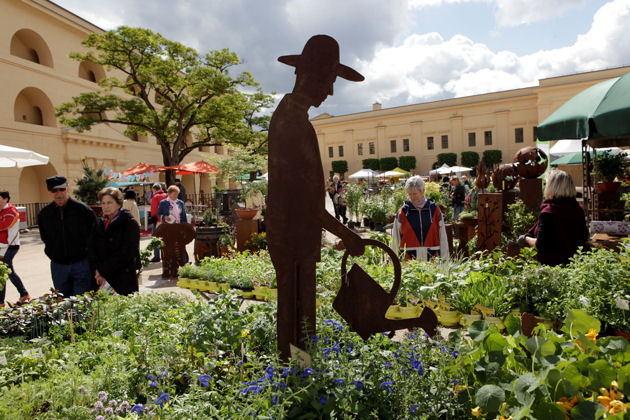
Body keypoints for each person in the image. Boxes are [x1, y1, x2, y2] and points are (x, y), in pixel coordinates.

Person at [268, 35, 364, 361]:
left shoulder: (293, 118)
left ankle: (299, 374)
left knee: (298, 314)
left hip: (295, 237)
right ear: (307, 75)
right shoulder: (292, 123)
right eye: (328, 80)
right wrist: (347, 234)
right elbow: (306, 201)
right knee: (297, 315)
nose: (330, 91)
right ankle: (297, 378)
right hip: (293, 239)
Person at [37, 175, 97, 297]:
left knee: (82, 303)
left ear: (67, 188)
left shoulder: (83, 210)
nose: (59, 193)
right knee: (63, 303)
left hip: (81, 264)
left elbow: (94, 236)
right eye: (54, 190)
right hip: (58, 266)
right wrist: (53, 254)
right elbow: (45, 238)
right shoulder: (44, 214)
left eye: (62, 189)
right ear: (49, 192)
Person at [515, 169, 589, 266]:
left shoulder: (549, 212)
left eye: (546, 184)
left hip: (552, 269)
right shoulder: (578, 209)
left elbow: (541, 245)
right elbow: (583, 237)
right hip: (575, 266)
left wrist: (525, 239)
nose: (545, 187)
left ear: (553, 187)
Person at [90, 187, 140, 295]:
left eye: (109, 203)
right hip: (100, 278)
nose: (106, 206)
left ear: (119, 203)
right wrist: (97, 271)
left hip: (122, 277)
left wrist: (103, 271)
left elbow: (127, 253)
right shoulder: (98, 223)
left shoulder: (129, 223)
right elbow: (91, 248)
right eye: (103, 203)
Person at [391, 176, 449, 261]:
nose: (412, 197)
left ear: (423, 191)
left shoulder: (434, 210)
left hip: (433, 258)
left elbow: (442, 235)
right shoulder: (402, 212)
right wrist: (394, 261)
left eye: (414, 193)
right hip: (409, 260)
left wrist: (445, 259)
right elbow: (396, 238)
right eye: (409, 194)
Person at [0, 191, 29, 307]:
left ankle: (2, 301)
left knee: (4, 270)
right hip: (2, 246)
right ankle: (23, 294)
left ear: (6, 199)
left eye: (0, 199)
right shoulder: (1, 211)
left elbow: (4, 225)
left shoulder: (11, 211)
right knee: (6, 271)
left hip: (11, 246)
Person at [149, 183, 167, 262]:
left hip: (158, 220)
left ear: (154, 189)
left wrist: (152, 217)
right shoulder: (166, 195)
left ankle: (157, 256)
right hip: (167, 220)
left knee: (156, 238)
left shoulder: (155, 197)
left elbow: (154, 209)